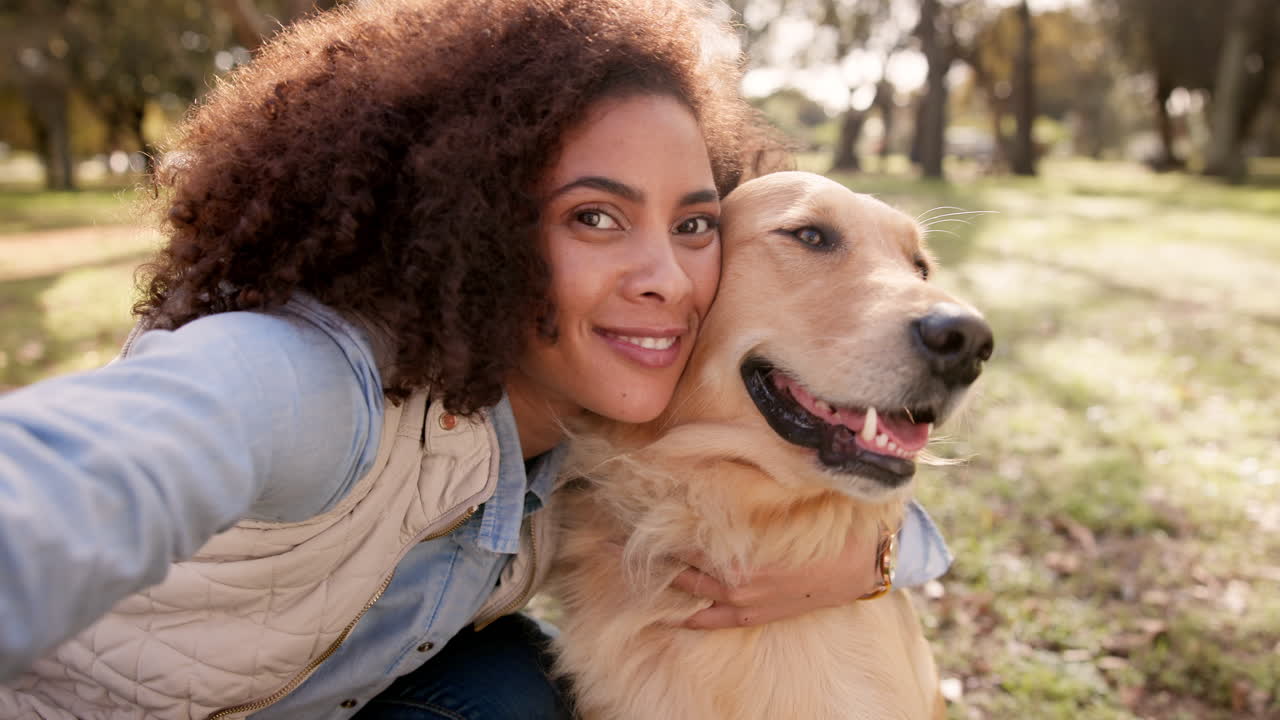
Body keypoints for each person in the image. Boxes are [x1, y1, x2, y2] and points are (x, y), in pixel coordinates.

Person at [0, 0, 953, 718]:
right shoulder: (312, 386)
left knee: (511, 682)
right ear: (476, 228)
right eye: (594, 216)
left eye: (693, 222)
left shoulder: (596, 439)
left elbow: (723, 509)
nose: (666, 275)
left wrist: (869, 559)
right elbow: (67, 476)